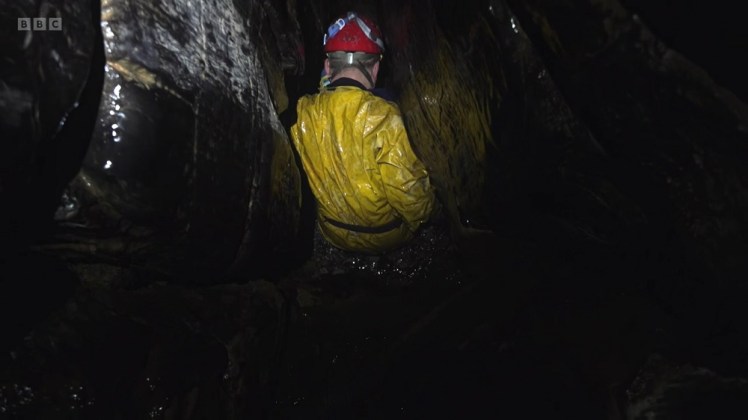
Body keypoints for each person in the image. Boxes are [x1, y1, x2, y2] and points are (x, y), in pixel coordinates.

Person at [290, 11, 436, 254]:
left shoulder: (302, 112)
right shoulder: (383, 116)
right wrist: (431, 211)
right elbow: (413, 199)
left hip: (331, 234)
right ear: (376, 68)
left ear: (327, 66)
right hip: (387, 238)